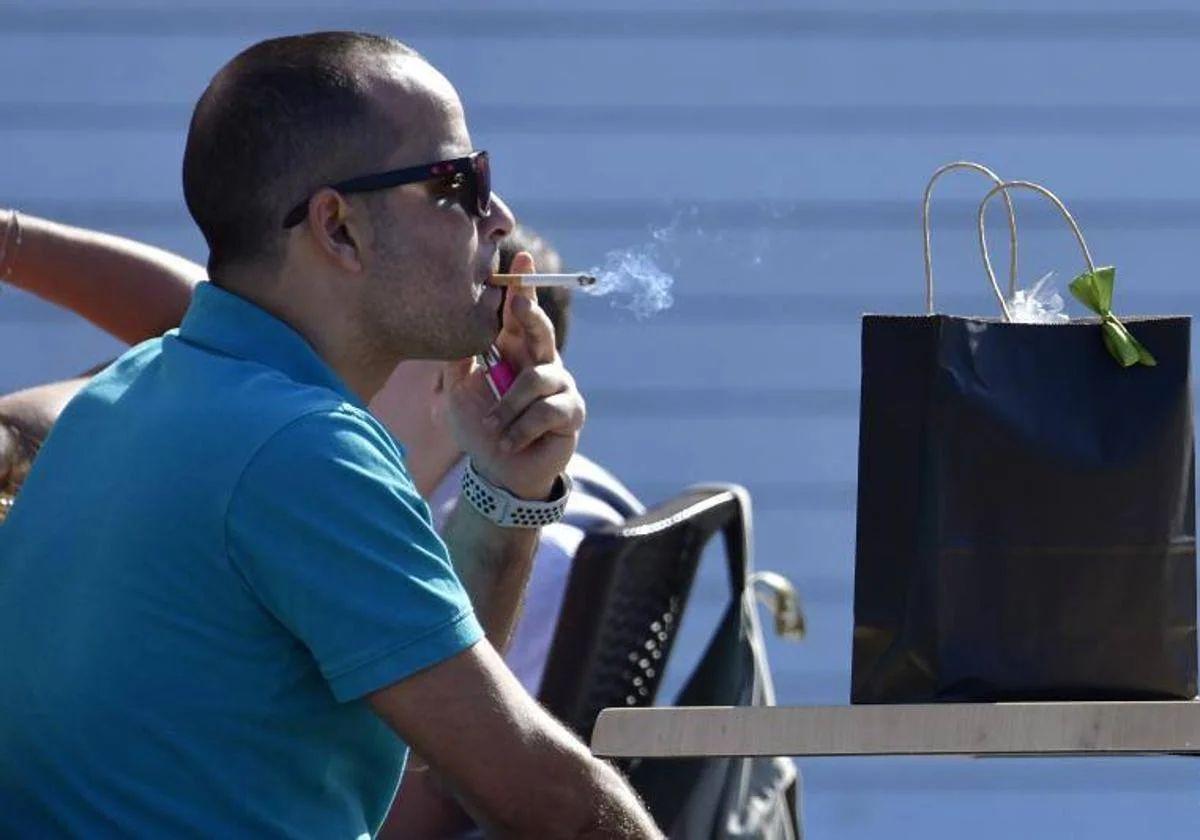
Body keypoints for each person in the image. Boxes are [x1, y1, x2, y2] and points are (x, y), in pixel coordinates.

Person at [0, 31, 660, 838]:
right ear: (338, 228)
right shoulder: (301, 449)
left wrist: (502, 489)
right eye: (459, 183)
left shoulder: (136, 391)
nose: (502, 218)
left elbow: (430, 727)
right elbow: (549, 803)